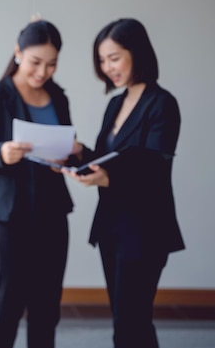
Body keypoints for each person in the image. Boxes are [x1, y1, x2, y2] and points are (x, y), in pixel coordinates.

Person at [63, 18, 185, 348]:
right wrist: (79, 153)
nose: (107, 68)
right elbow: (109, 157)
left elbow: (155, 164)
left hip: (145, 227)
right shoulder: (116, 103)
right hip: (112, 225)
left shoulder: (162, 103)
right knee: (125, 317)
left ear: (138, 52)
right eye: (102, 60)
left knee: (132, 320)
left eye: (114, 57)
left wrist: (109, 177)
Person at [0, 19, 79, 348]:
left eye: (52, 64)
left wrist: (71, 154)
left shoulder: (58, 97)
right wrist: (1, 152)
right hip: (8, 215)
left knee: (46, 306)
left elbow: (64, 145)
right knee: (8, 304)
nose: (43, 72)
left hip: (52, 212)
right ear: (18, 53)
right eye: (36, 62)